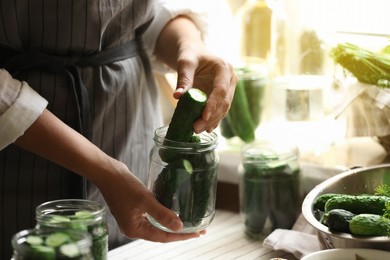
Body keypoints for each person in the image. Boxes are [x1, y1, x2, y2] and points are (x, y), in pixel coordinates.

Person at [0, 0, 237, 258]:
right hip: (21, 156)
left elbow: (144, 14)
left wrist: (189, 46)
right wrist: (106, 171)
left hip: (129, 135)